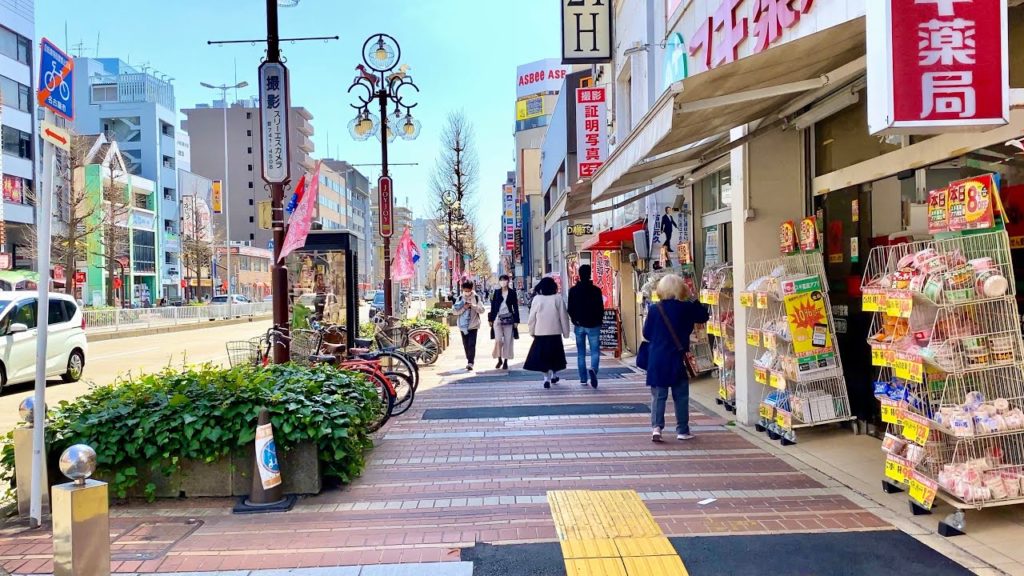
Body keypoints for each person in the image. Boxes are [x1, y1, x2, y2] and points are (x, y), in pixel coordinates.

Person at [642, 274, 709, 442]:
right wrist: (693, 297)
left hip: (657, 358)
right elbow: (703, 316)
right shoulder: (686, 308)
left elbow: (646, 334)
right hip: (677, 357)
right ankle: (682, 430)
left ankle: (657, 428)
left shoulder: (654, 309)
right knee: (681, 395)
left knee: (659, 395)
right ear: (681, 289)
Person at [524, 277, 571, 388]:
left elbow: (532, 318)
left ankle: (546, 378)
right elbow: (563, 317)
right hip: (555, 332)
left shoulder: (537, 299)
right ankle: (554, 375)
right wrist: (566, 332)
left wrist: (531, 331)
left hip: (540, 333)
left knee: (543, 357)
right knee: (555, 356)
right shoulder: (558, 298)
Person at [567, 264, 604, 388]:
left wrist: (574, 320)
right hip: (594, 324)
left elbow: (570, 308)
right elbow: (600, 308)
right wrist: (599, 320)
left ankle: (583, 379)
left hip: (579, 325)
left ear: (579, 274)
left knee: (581, 353)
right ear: (589, 274)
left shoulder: (573, 290)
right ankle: (593, 369)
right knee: (595, 351)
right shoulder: (596, 290)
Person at [488, 274, 520, 370]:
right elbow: (493, 306)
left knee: (508, 340)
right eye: (501, 280)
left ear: (508, 281)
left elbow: (515, 307)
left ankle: (505, 361)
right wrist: (490, 319)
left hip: (509, 319)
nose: (503, 282)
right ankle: (499, 359)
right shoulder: (496, 292)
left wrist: (516, 320)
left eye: (505, 280)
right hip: (497, 318)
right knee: (498, 340)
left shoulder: (512, 293)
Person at [453, 280, 486, 371]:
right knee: (466, 344)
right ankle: (469, 359)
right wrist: (464, 307)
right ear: (462, 289)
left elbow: (482, 310)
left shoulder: (476, 297)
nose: (467, 292)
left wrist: (473, 306)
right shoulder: (460, 298)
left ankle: (470, 362)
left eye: (468, 290)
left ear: (472, 289)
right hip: (463, 326)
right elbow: (455, 312)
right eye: (465, 290)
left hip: (473, 325)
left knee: (472, 344)